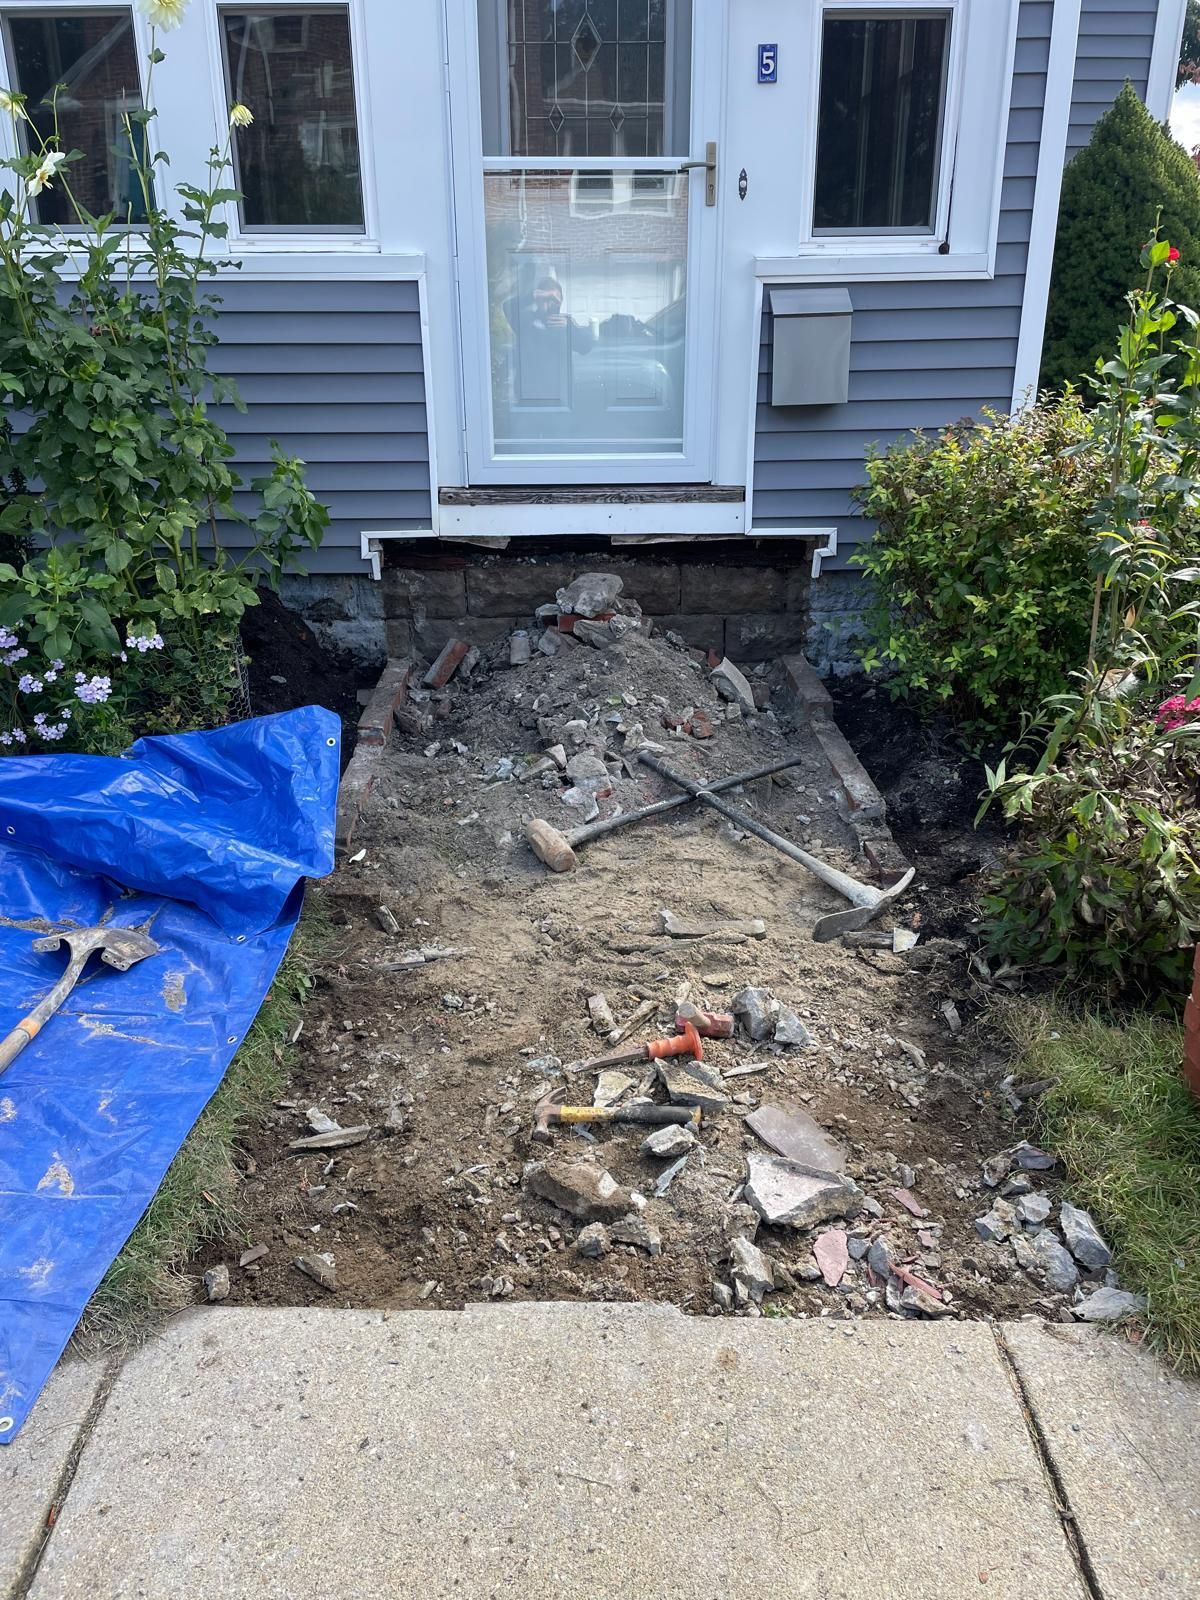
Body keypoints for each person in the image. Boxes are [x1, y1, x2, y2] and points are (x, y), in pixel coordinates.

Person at [503, 276, 593, 408]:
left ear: (561, 301)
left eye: (555, 300)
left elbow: (586, 347)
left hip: (559, 399)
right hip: (528, 398)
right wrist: (533, 295)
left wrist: (569, 329)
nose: (550, 304)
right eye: (546, 299)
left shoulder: (566, 324)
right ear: (537, 300)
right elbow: (507, 307)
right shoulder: (525, 321)